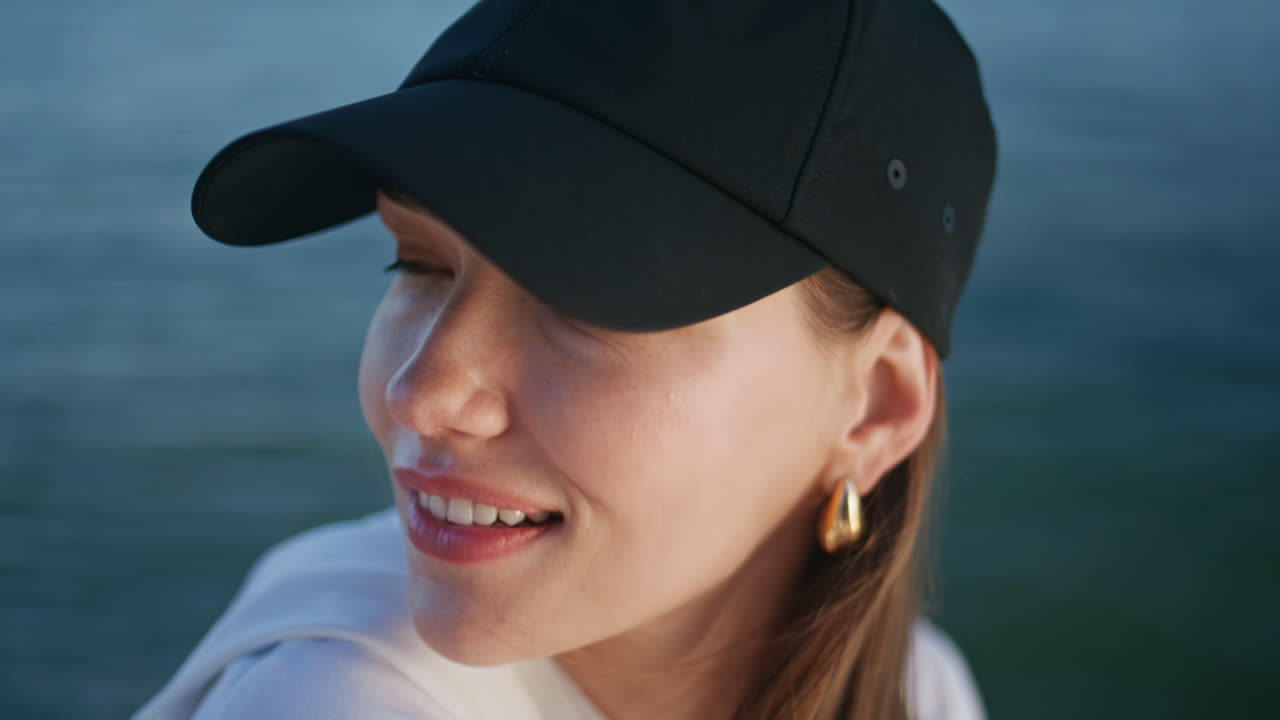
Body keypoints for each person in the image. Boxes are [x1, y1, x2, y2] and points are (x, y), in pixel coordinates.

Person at [137, 0, 997, 717]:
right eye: (418, 262)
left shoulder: (922, 691)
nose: (423, 393)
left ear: (876, 405)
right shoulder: (327, 697)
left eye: (586, 294)